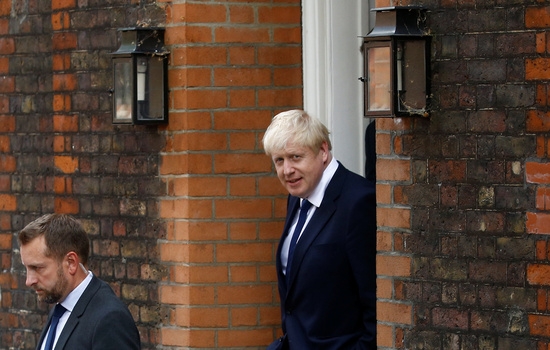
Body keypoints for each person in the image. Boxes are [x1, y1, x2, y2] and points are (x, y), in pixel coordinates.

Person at [263, 110, 376, 349]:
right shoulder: (298, 195)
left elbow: (375, 300)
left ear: (323, 151)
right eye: (279, 160)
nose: (287, 170)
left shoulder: (359, 201)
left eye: (295, 157)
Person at [18, 214, 141, 350]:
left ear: (71, 263)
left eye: (37, 268)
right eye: (27, 268)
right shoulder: (60, 309)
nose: (29, 281)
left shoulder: (110, 318)